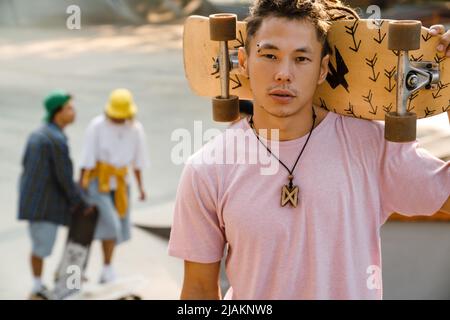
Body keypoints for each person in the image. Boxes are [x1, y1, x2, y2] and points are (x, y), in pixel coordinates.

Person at [168, 0, 450, 299]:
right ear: (245, 61)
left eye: (301, 59)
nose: (283, 74)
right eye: (269, 55)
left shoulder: (370, 146)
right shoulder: (209, 168)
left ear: (322, 69)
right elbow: (198, 291)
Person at [18, 90, 94, 300]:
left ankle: (48, 280)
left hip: (36, 203)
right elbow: (64, 177)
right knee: (42, 248)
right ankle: (36, 287)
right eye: (69, 108)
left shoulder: (41, 133)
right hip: (43, 207)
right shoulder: (55, 140)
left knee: (41, 246)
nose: (73, 111)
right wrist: (82, 202)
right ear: (57, 113)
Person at [79, 88, 149, 284]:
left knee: (113, 228)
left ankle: (107, 268)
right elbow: (86, 158)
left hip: (120, 185)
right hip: (97, 182)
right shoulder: (97, 126)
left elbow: (138, 162)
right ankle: (80, 268)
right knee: (110, 225)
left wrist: (141, 187)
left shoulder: (135, 129)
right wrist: (81, 187)